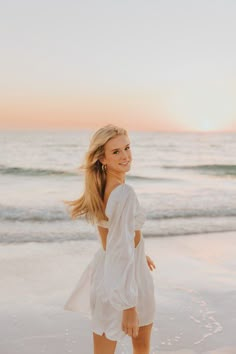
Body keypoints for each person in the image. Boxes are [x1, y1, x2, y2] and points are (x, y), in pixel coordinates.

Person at [63, 124, 156, 354]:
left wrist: (139, 252)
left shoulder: (101, 187)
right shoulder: (124, 193)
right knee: (141, 347)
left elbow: (115, 240)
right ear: (102, 158)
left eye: (127, 148)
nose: (125, 156)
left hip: (107, 275)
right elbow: (121, 249)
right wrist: (129, 306)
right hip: (127, 280)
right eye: (116, 152)